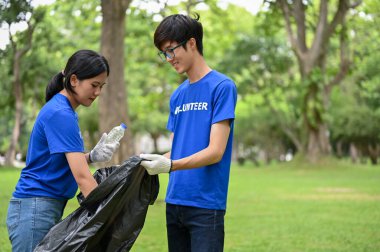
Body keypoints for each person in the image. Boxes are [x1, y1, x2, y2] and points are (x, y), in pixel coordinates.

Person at [140, 14, 237, 252]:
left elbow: (215, 152)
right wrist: (148, 161)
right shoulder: (178, 95)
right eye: (164, 53)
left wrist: (171, 165)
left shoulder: (222, 87)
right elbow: (177, 148)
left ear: (192, 43)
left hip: (205, 205)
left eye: (171, 50)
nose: (169, 59)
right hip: (174, 202)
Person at [6, 49, 120, 251]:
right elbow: (83, 178)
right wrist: (107, 216)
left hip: (41, 207)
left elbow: (58, 162)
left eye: (101, 86)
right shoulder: (61, 113)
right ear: (74, 80)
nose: (98, 93)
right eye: (94, 85)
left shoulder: (63, 109)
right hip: (35, 209)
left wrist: (91, 156)